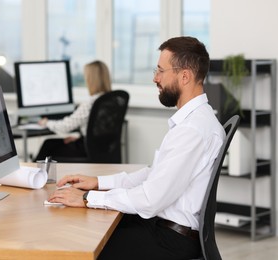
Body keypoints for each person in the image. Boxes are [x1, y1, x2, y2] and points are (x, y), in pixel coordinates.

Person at [47, 36, 225, 259]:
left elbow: (150, 200)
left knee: (83, 245)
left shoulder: (193, 130)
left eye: (161, 71)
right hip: (163, 228)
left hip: (169, 240)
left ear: (185, 76)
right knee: (90, 226)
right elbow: (154, 174)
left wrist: (86, 198)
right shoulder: (194, 122)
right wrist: (99, 183)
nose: (155, 78)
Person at [34, 60, 111, 162]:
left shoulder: (91, 103)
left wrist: (47, 122)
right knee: (50, 143)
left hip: (87, 150)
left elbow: (66, 126)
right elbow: (99, 131)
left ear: (91, 79)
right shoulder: (109, 100)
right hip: (100, 149)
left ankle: (32, 174)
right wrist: (80, 138)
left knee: (48, 145)